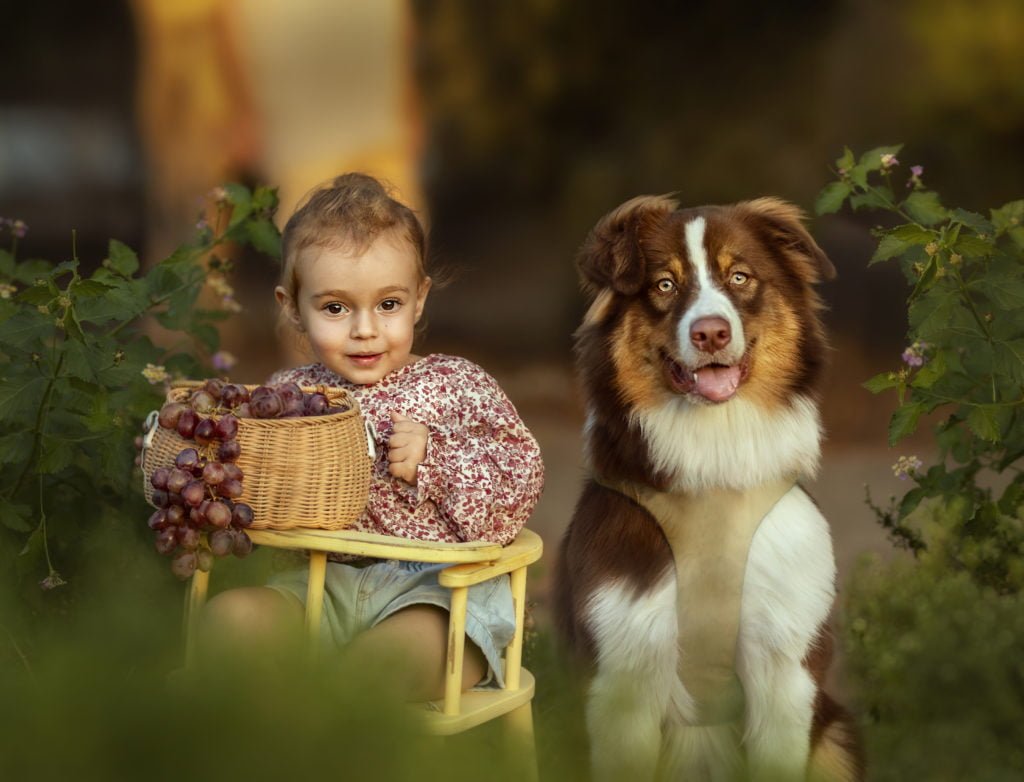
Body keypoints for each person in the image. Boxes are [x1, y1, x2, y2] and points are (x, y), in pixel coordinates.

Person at [198, 173, 544, 700]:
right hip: (317, 587)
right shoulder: (288, 396)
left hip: (437, 595)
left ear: (420, 299)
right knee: (229, 622)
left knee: (383, 666)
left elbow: (520, 480)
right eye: (335, 308)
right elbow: (253, 491)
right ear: (292, 306)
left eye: (388, 304)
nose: (365, 329)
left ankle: (332, 727)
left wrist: (436, 459)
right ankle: (281, 739)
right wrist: (213, 472)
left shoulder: (456, 385)